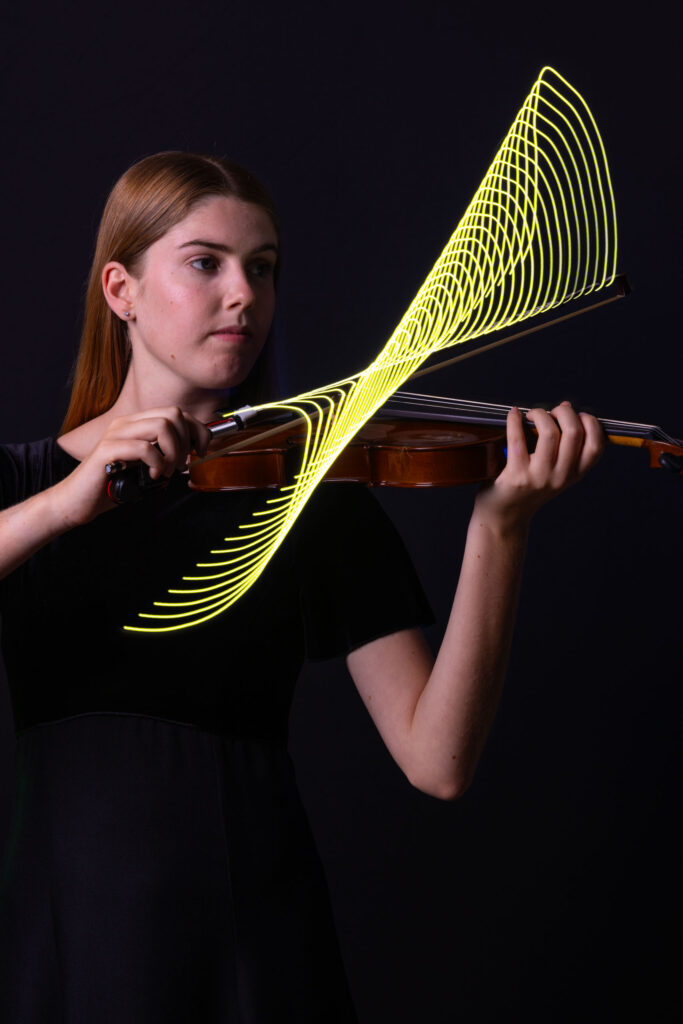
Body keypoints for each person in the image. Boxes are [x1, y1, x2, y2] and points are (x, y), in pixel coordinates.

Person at [0, 152, 604, 1023]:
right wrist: (66, 503)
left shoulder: (312, 499)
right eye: (205, 263)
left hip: (255, 940)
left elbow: (438, 762)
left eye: (263, 268)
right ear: (121, 289)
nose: (243, 295)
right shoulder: (25, 485)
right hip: (68, 935)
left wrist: (498, 528)